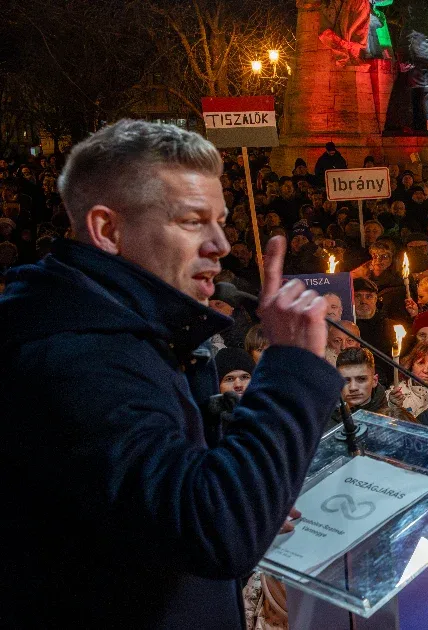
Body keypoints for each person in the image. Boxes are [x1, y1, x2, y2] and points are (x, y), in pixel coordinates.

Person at [0, 120, 345, 626]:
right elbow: (216, 529)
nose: (222, 244)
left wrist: (251, 487)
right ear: (108, 230)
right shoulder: (74, 356)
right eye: (192, 221)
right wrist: (291, 366)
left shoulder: (140, 334)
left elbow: (168, 506)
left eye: (222, 221)